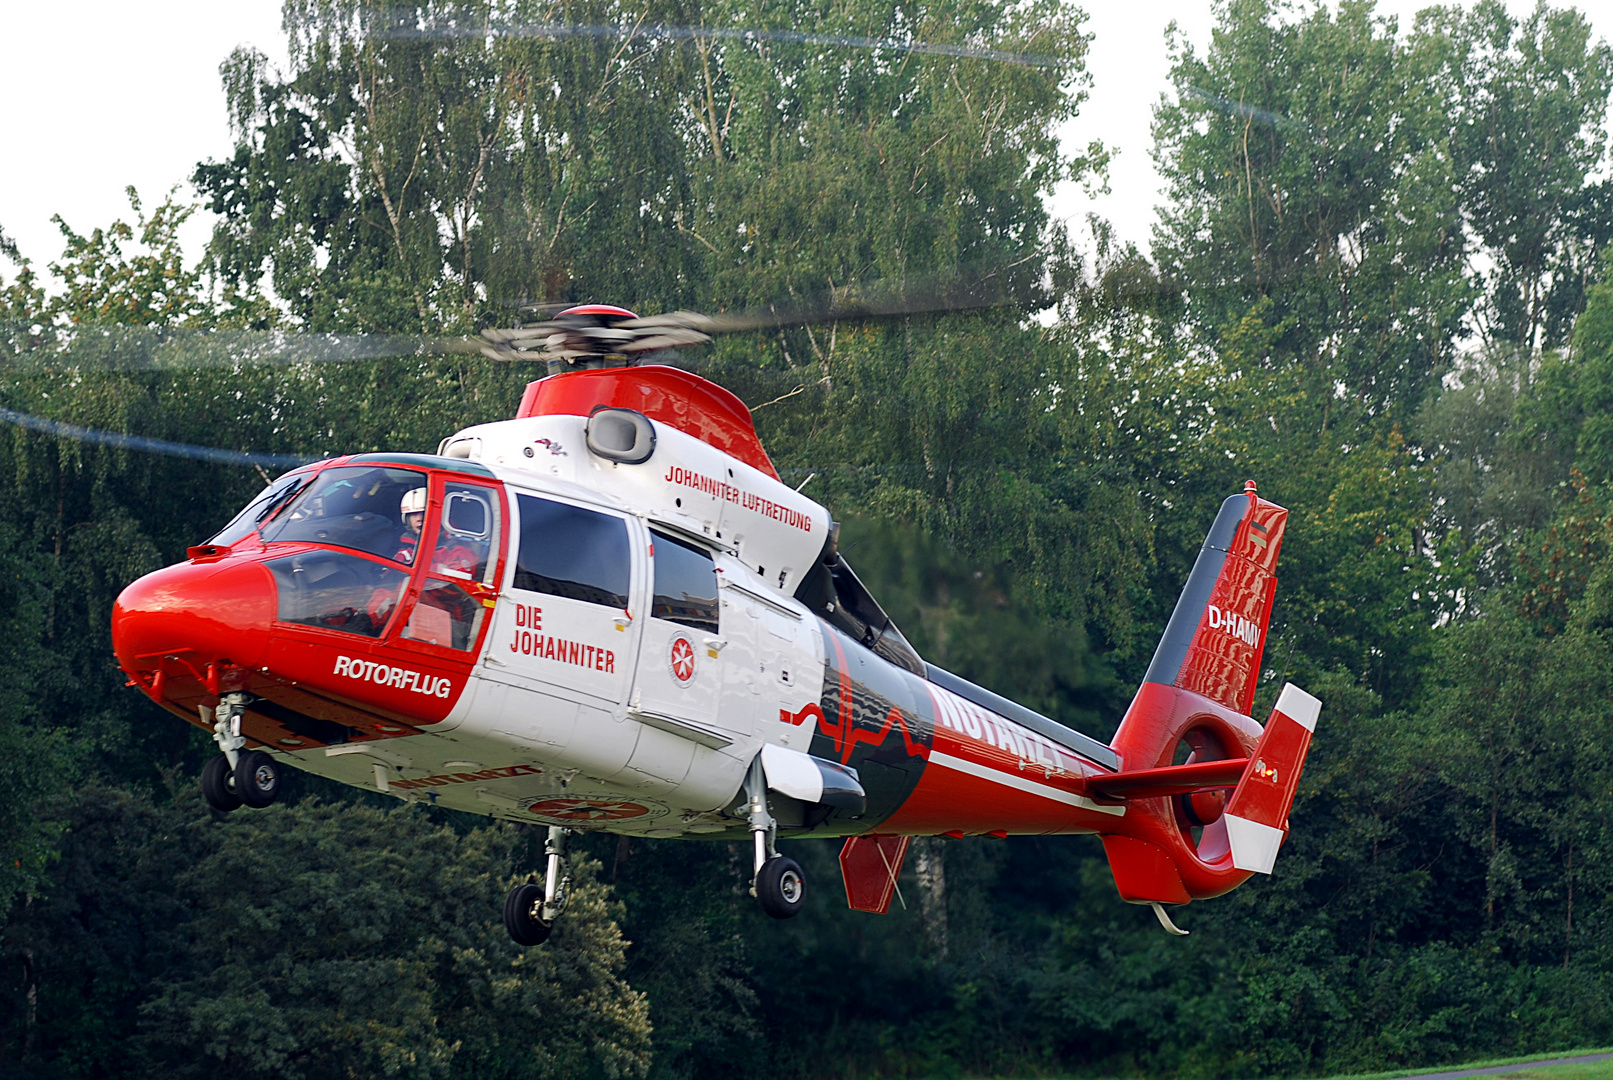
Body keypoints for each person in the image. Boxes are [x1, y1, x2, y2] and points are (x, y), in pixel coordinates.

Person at [395, 487, 427, 565]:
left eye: (424, 513)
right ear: (407, 520)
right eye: (414, 514)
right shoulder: (405, 554)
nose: (419, 518)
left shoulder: (452, 544)